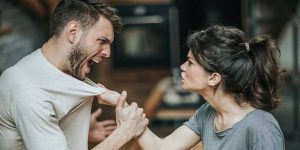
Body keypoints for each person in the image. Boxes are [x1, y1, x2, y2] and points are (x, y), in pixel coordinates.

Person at [0, 0, 148, 150]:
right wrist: (124, 132)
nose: (107, 53)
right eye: (102, 41)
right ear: (73, 32)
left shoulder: (44, 69)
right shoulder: (29, 91)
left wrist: (78, 132)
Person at [137, 25, 285, 150]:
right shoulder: (207, 113)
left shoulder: (262, 128)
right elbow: (161, 147)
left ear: (213, 78)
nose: (182, 67)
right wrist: (121, 105)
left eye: (190, 62)